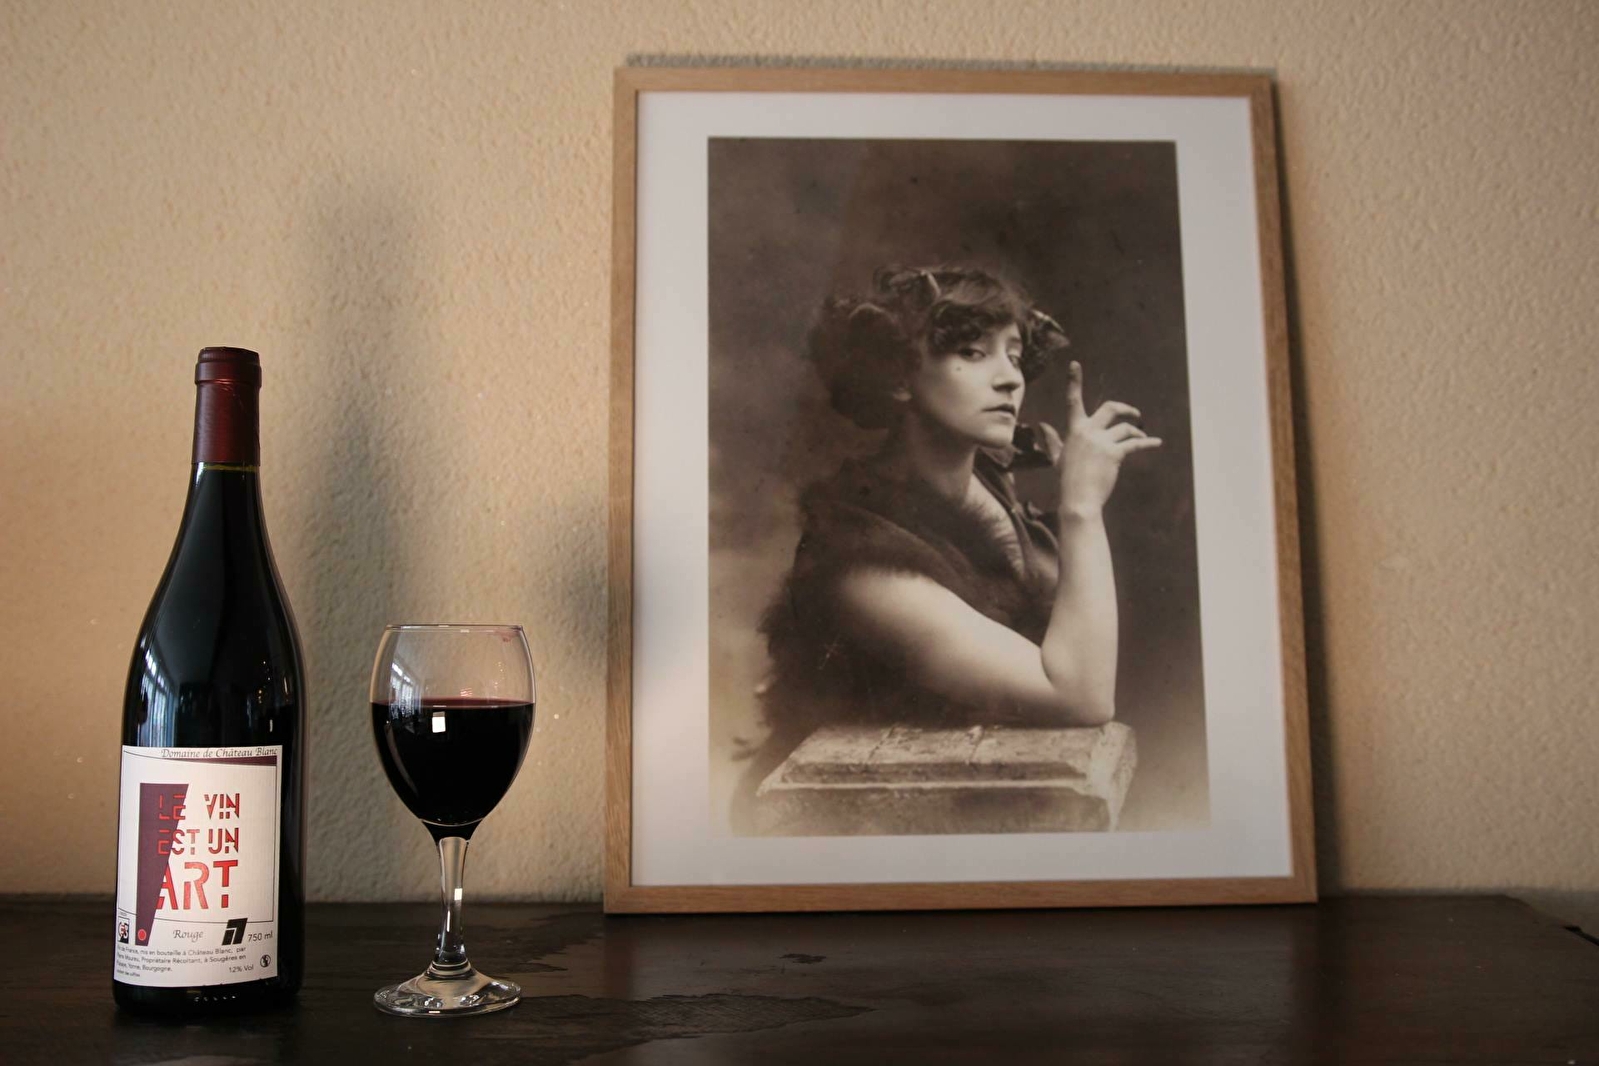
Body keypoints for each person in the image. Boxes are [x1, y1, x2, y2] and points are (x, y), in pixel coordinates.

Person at [745, 265, 1161, 800]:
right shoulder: (858, 559)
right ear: (899, 376)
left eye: (1014, 355)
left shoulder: (987, 479)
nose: (1010, 378)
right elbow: (1082, 696)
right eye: (972, 352)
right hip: (846, 819)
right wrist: (1081, 508)